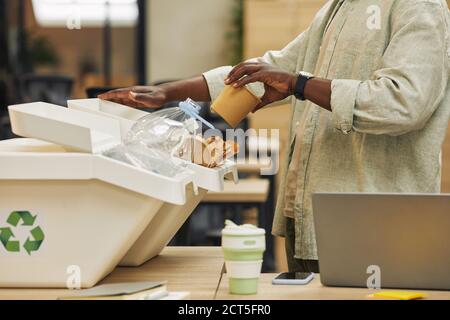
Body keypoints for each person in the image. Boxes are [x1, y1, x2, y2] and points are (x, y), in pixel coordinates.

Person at [99, 0, 450, 273]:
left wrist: (298, 84)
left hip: (375, 229)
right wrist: (167, 93)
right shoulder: (337, 8)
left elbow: (404, 103)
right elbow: (268, 68)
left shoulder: (417, 6)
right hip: (312, 222)